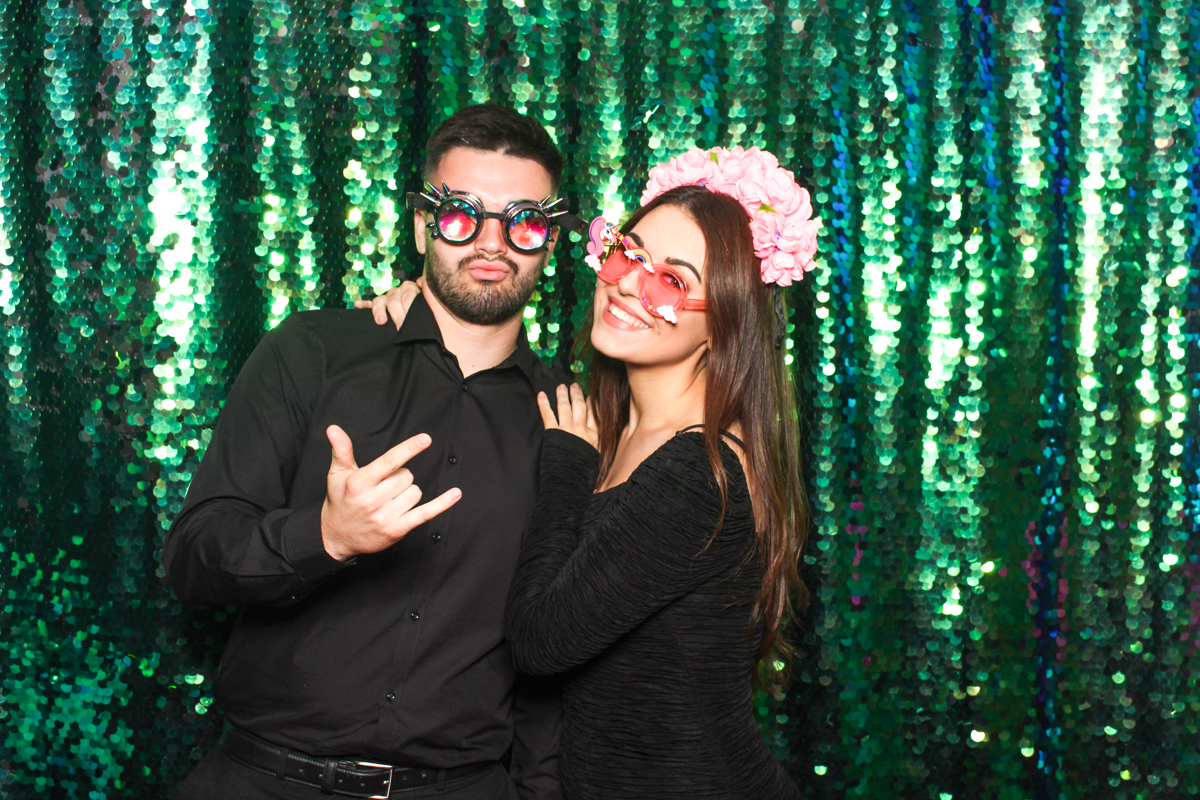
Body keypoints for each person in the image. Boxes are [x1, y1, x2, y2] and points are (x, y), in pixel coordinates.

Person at [163, 103, 582, 800]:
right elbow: (194, 558)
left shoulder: (568, 421)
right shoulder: (314, 351)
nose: (491, 242)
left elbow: (557, 650)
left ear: (550, 239)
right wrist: (323, 537)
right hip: (263, 779)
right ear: (421, 223)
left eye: (525, 221)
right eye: (460, 213)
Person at [372, 147, 817, 798]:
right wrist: (426, 305)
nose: (631, 284)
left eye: (673, 279)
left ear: (724, 321)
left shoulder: (699, 470)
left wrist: (567, 470)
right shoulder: (608, 427)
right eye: (628, 254)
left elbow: (539, 641)